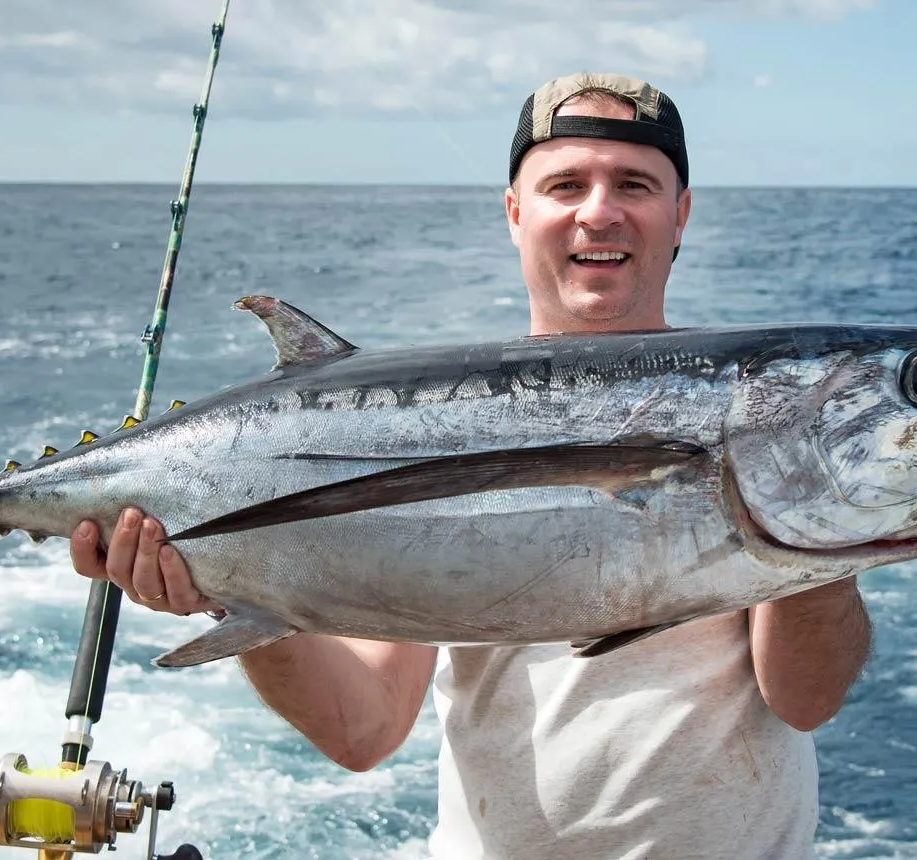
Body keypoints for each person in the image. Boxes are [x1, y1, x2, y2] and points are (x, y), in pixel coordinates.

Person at [69, 72, 872, 859]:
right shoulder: (426, 422)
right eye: (565, 185)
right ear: (517, 214)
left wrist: (815, 519)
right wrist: (227, 592)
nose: (600, 211)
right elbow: (363, 728)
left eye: (634, 182)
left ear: (680, 215)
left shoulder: (753, 409)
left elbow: (804, 699)